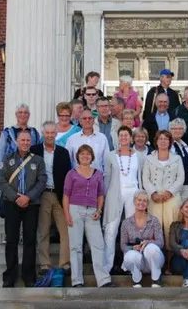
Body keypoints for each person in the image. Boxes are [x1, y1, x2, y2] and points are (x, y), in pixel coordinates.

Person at [0, 129, 47, 287]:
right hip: (11, 204)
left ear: (31, 142)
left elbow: (42, 181)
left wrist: (28, 197)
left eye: (28, 140)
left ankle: (29, 276)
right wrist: (15, 197)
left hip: (31, 204)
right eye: (22, 140)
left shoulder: (38, 160)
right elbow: (1, 181)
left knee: (29, 240)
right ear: (17, 142)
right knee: (11, 240)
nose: (25, 143)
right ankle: (10, 276)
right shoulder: (7, 159)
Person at [62, 144, 114, 288]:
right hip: (75, 210)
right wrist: (67, 214)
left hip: (92, 212)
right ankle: (77, 281)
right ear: (78, 157)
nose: (85, 156)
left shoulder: (98, 174)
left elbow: (100, 194)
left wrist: (99, 210)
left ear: (92, 157)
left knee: (98, 245)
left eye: (88, 154)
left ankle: (103, 280)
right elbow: (66, 196)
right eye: (82, 154)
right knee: (76, 246)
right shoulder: (71, 173)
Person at [31, 121, 72, 275]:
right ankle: (45, 264)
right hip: (43, 194)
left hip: (60, 195)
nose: (49, 135)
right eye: (47, 133)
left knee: (65, 230)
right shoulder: (34, 151)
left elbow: (68, 175)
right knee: (43, 230)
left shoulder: (63, 152)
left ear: (56, 134)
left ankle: (64, 263)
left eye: (52, 133)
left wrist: (67, 197)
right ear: (43, 134)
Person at [103, 126, 145, 275]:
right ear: (118, 138)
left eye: (126, 135)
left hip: (133, 195)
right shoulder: (110, 155)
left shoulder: (139, 156)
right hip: (115, 194)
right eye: (121, 135)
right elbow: (107, 178)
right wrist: (105, 198)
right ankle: (107, 266)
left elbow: (141, 178)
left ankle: (129, 265)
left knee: (132, 230)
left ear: (131, 138)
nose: (123, 138)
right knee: (111, 230)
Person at [142, 130, 184, 239]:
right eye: (160, 138)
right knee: (154, 228)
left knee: (172, 227)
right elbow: (145, 179)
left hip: (172, 196)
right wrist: (153, 193)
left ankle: (171, 249)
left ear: (170, 142)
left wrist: (169, 192)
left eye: (166, 139)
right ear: (156, 141)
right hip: (154, 197)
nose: (163, 141)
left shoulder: (177, 158)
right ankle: (155, 249)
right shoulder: (149, 158)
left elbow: (180, 178)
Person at [120, 190, 166, 287]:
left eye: (145, 201)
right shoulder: (126, 223)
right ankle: (136, 279)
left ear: (148, 204)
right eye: (139, 200)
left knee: (151, 248)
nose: (141, 203)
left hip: (153, 260)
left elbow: (161, 242)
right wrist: (132, 248)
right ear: (134, 201)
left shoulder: (154, 220)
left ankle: (156, 279)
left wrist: (148, 242)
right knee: (130, 256)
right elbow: (123, 245)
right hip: (137, 260)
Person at [0, 103, 40, 169]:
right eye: (20, 112)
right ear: (16, 115)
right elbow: (0, 152)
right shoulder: (7, 133)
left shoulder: (34, 133)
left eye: (25, 113)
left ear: (29, 115)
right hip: (11, 169)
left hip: (30, 170)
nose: (23, 115)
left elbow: (38, 153)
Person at [169, 118, 188, 202]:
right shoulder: (168, 145)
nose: (177, 131)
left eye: (180, 128)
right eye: (175, 128)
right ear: (170, 130)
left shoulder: (185, 146)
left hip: (187, 185)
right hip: (173, 186)